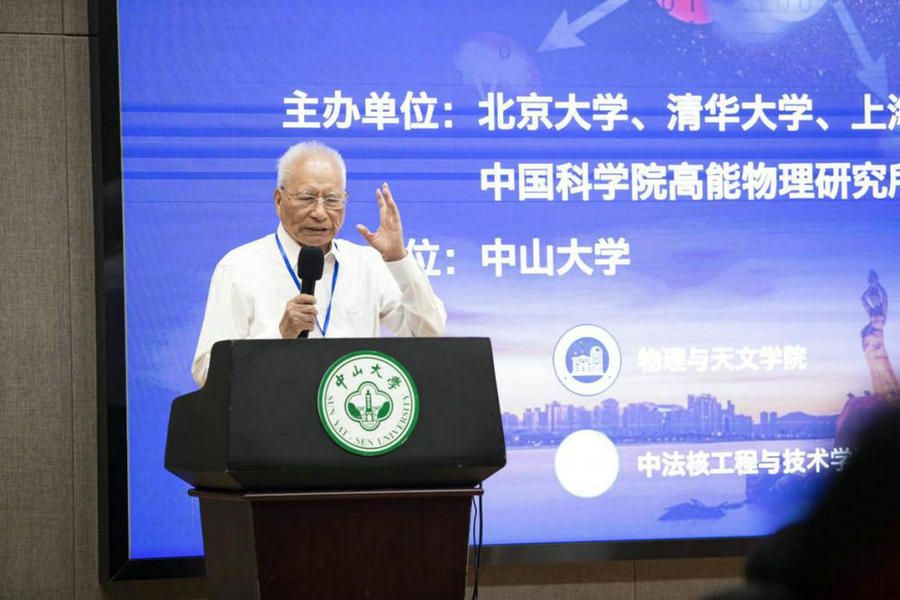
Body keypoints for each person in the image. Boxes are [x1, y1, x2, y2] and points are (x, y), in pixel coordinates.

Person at [191, 141, 446, 386]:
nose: (320, 213)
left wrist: (398, 259)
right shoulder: (239, 267)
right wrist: (279, 336)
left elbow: (428, 335)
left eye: (332, 200)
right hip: (272, 411)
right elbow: (207, 371)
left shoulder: (368, 265)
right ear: (279, 200)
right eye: (307, 198)